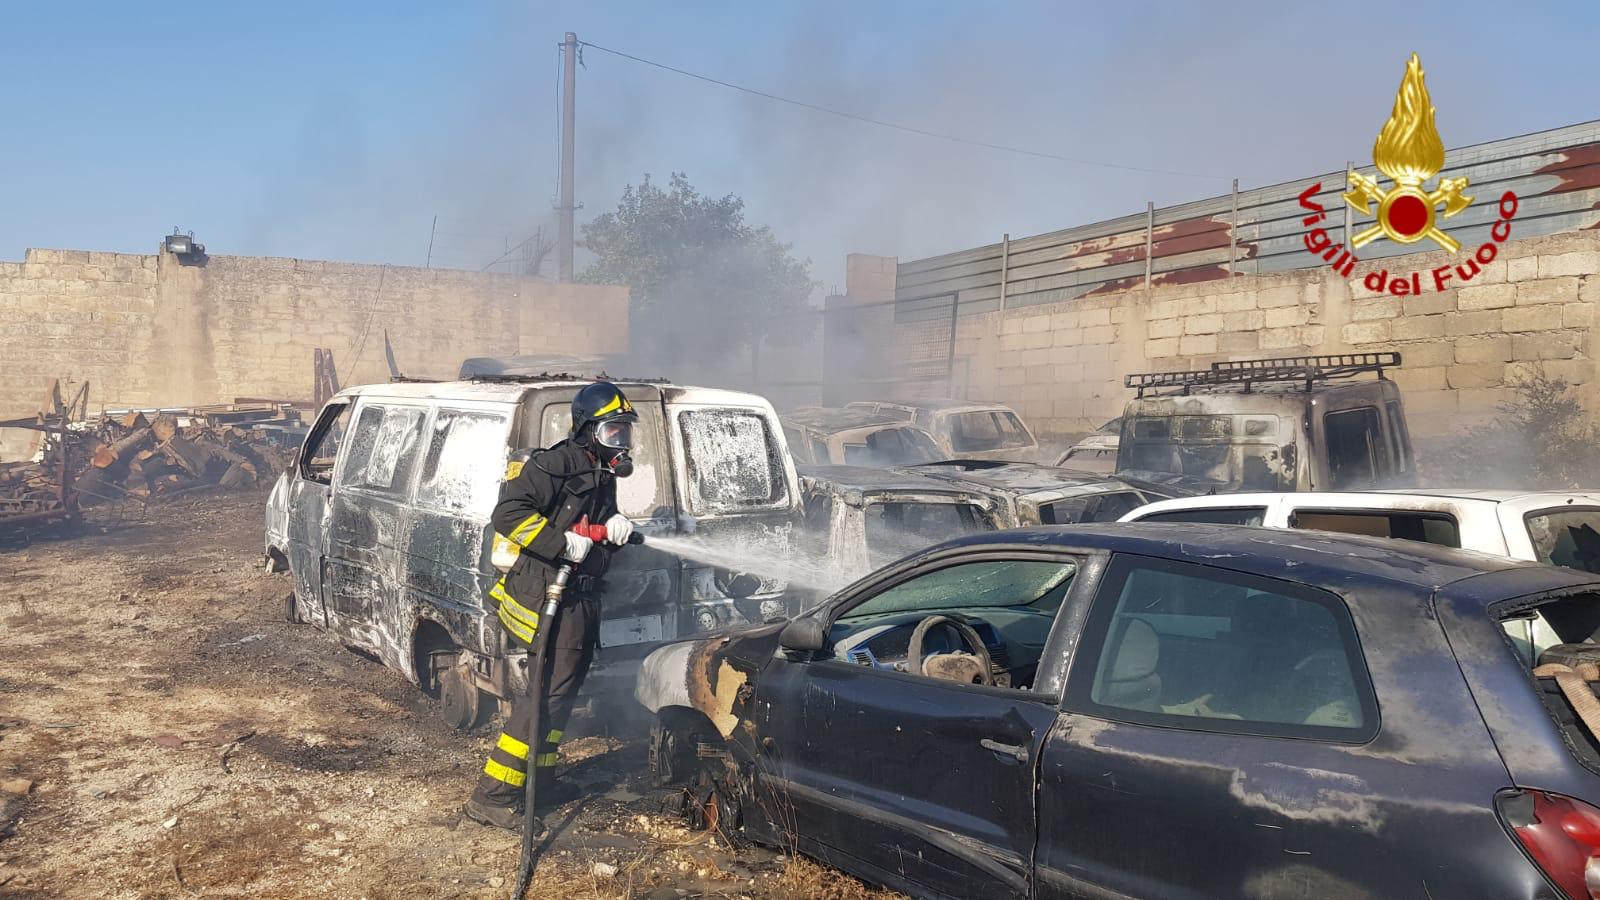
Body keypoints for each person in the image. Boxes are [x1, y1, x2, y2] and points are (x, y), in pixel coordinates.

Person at [464, 381, 639, 831]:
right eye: (613, 431)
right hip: (548, 597)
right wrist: (559, 542)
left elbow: (593, 523)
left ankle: (540, 783)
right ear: (587, 430)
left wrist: (614, 526)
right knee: (543, 696)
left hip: (579, 599)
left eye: (625, 432)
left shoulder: (600, 471)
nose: (621, 442)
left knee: (564, 694)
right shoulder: (553, 465)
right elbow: (507, 514)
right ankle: (492, 795)